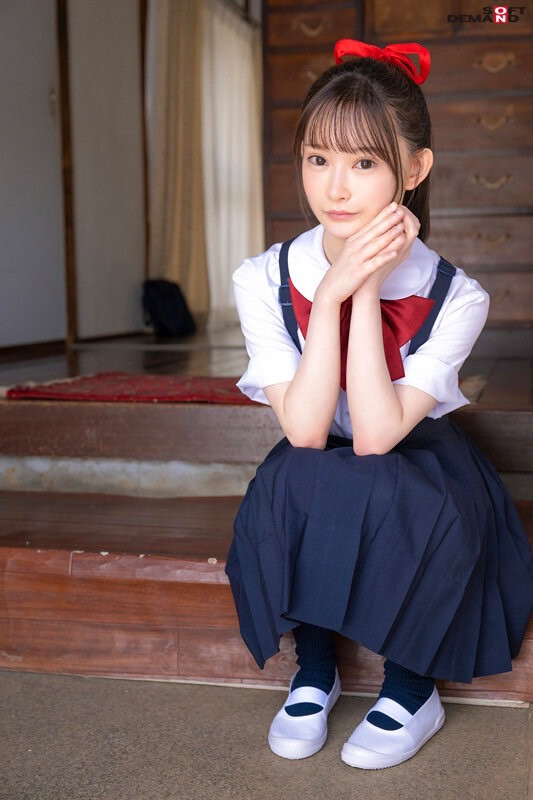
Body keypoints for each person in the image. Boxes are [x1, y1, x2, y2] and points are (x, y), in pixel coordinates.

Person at [225, 39, 533, 770]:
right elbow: (307, 428)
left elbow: (374, 435)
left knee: (401, 489)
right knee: (292, 474)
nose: (335, 188)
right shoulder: (262, 278)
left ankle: (411, 686)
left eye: (364, 163)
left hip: (414, 453)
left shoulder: (457, 295)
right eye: (317, 158)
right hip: (318, 447)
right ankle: (315, 669)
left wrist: (362, 286)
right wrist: (330, 291)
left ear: (414, 170)